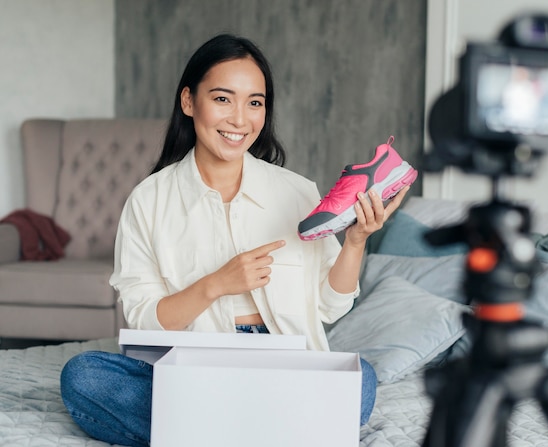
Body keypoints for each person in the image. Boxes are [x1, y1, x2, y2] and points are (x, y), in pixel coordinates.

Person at [60, 33, 411, 447]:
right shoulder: (149, 200)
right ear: (189, 102)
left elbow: (329, 307)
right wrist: (217, 284)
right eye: (223, 99)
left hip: (285, 366)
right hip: (196, 371)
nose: (240, 119)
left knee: (361, 379)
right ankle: (278, 431)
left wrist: (355, 242)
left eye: (255, 102)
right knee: (84, 376)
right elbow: (145, 320)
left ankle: (211, 431)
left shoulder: (297, 193)